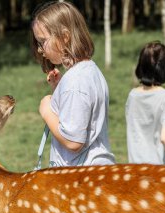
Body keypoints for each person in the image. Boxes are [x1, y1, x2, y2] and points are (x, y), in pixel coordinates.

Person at [30, 1, 115, 167]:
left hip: (81, 179)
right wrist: (59, 90)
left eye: (43, 41)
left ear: (65, 37)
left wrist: (47, 110)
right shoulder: (89, 71)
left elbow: (73, 141)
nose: (40, 50)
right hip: (95, 172)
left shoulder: (75, 81)